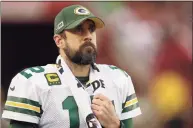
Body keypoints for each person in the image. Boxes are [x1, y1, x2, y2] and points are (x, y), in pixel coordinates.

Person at [2, 5, 141, 128]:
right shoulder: (31, 81)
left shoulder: (119, 78)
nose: (88, 36)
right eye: (79, 30)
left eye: (91, 30)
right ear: (59, 41)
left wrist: (115, 125)